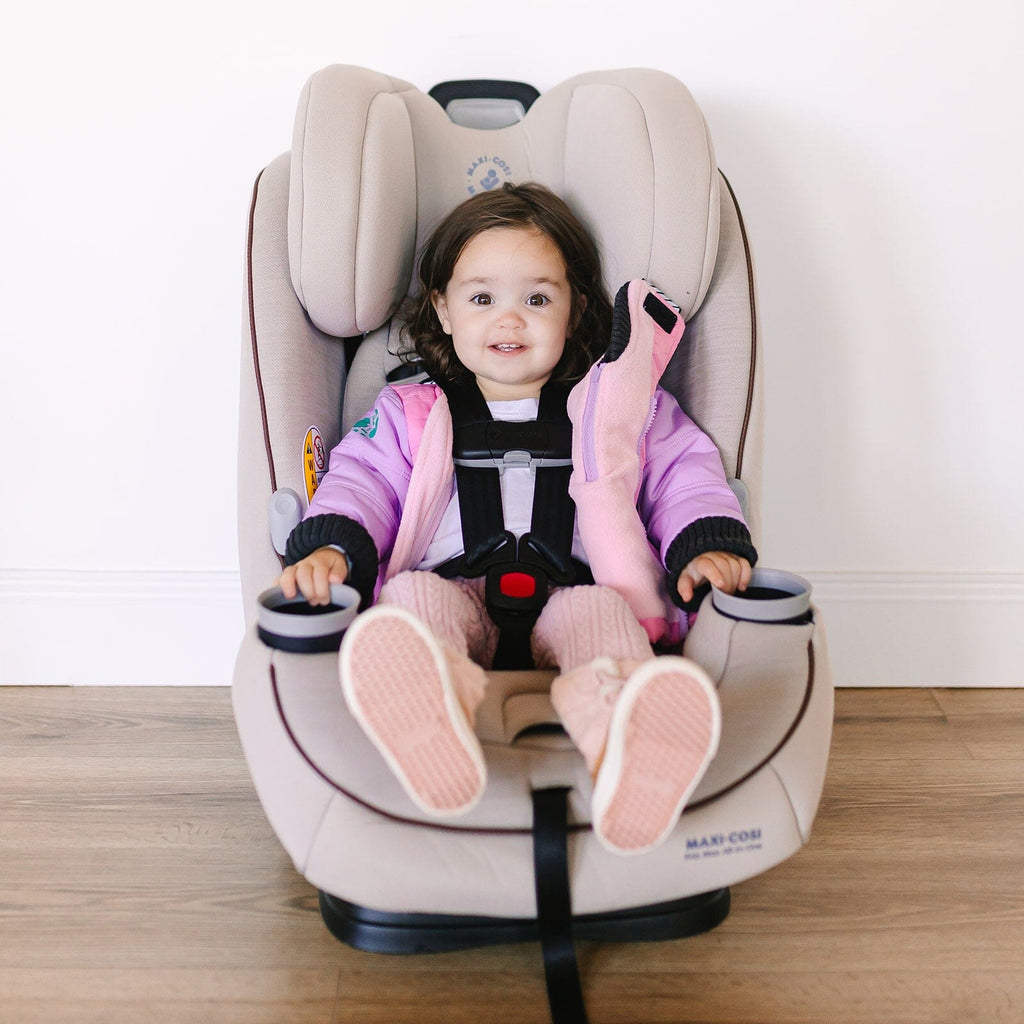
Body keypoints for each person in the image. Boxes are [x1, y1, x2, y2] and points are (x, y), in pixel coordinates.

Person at [277, 182, 756, 855]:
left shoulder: (623, 407)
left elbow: (685, 475)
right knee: (410, 603)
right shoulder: (408, 413)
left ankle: (628, 743)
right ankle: (427, 704)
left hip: (580, 592)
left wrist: (704, 543)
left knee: (602, 623)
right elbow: (360, 480)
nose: (510, 320)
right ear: (442, 309)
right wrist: (333, 544)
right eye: (482, 298)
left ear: (574, 309)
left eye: (537, 298)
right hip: (453, 590)